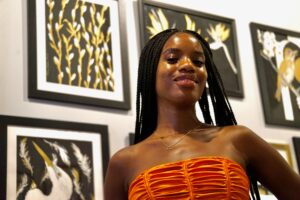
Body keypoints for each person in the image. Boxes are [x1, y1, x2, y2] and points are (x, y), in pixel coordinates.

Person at [104, 29, 300, 199]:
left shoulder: (238, 139)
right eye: (172, 59)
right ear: (149, 71)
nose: (188, 65)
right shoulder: (124, 162)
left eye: (198, 62)